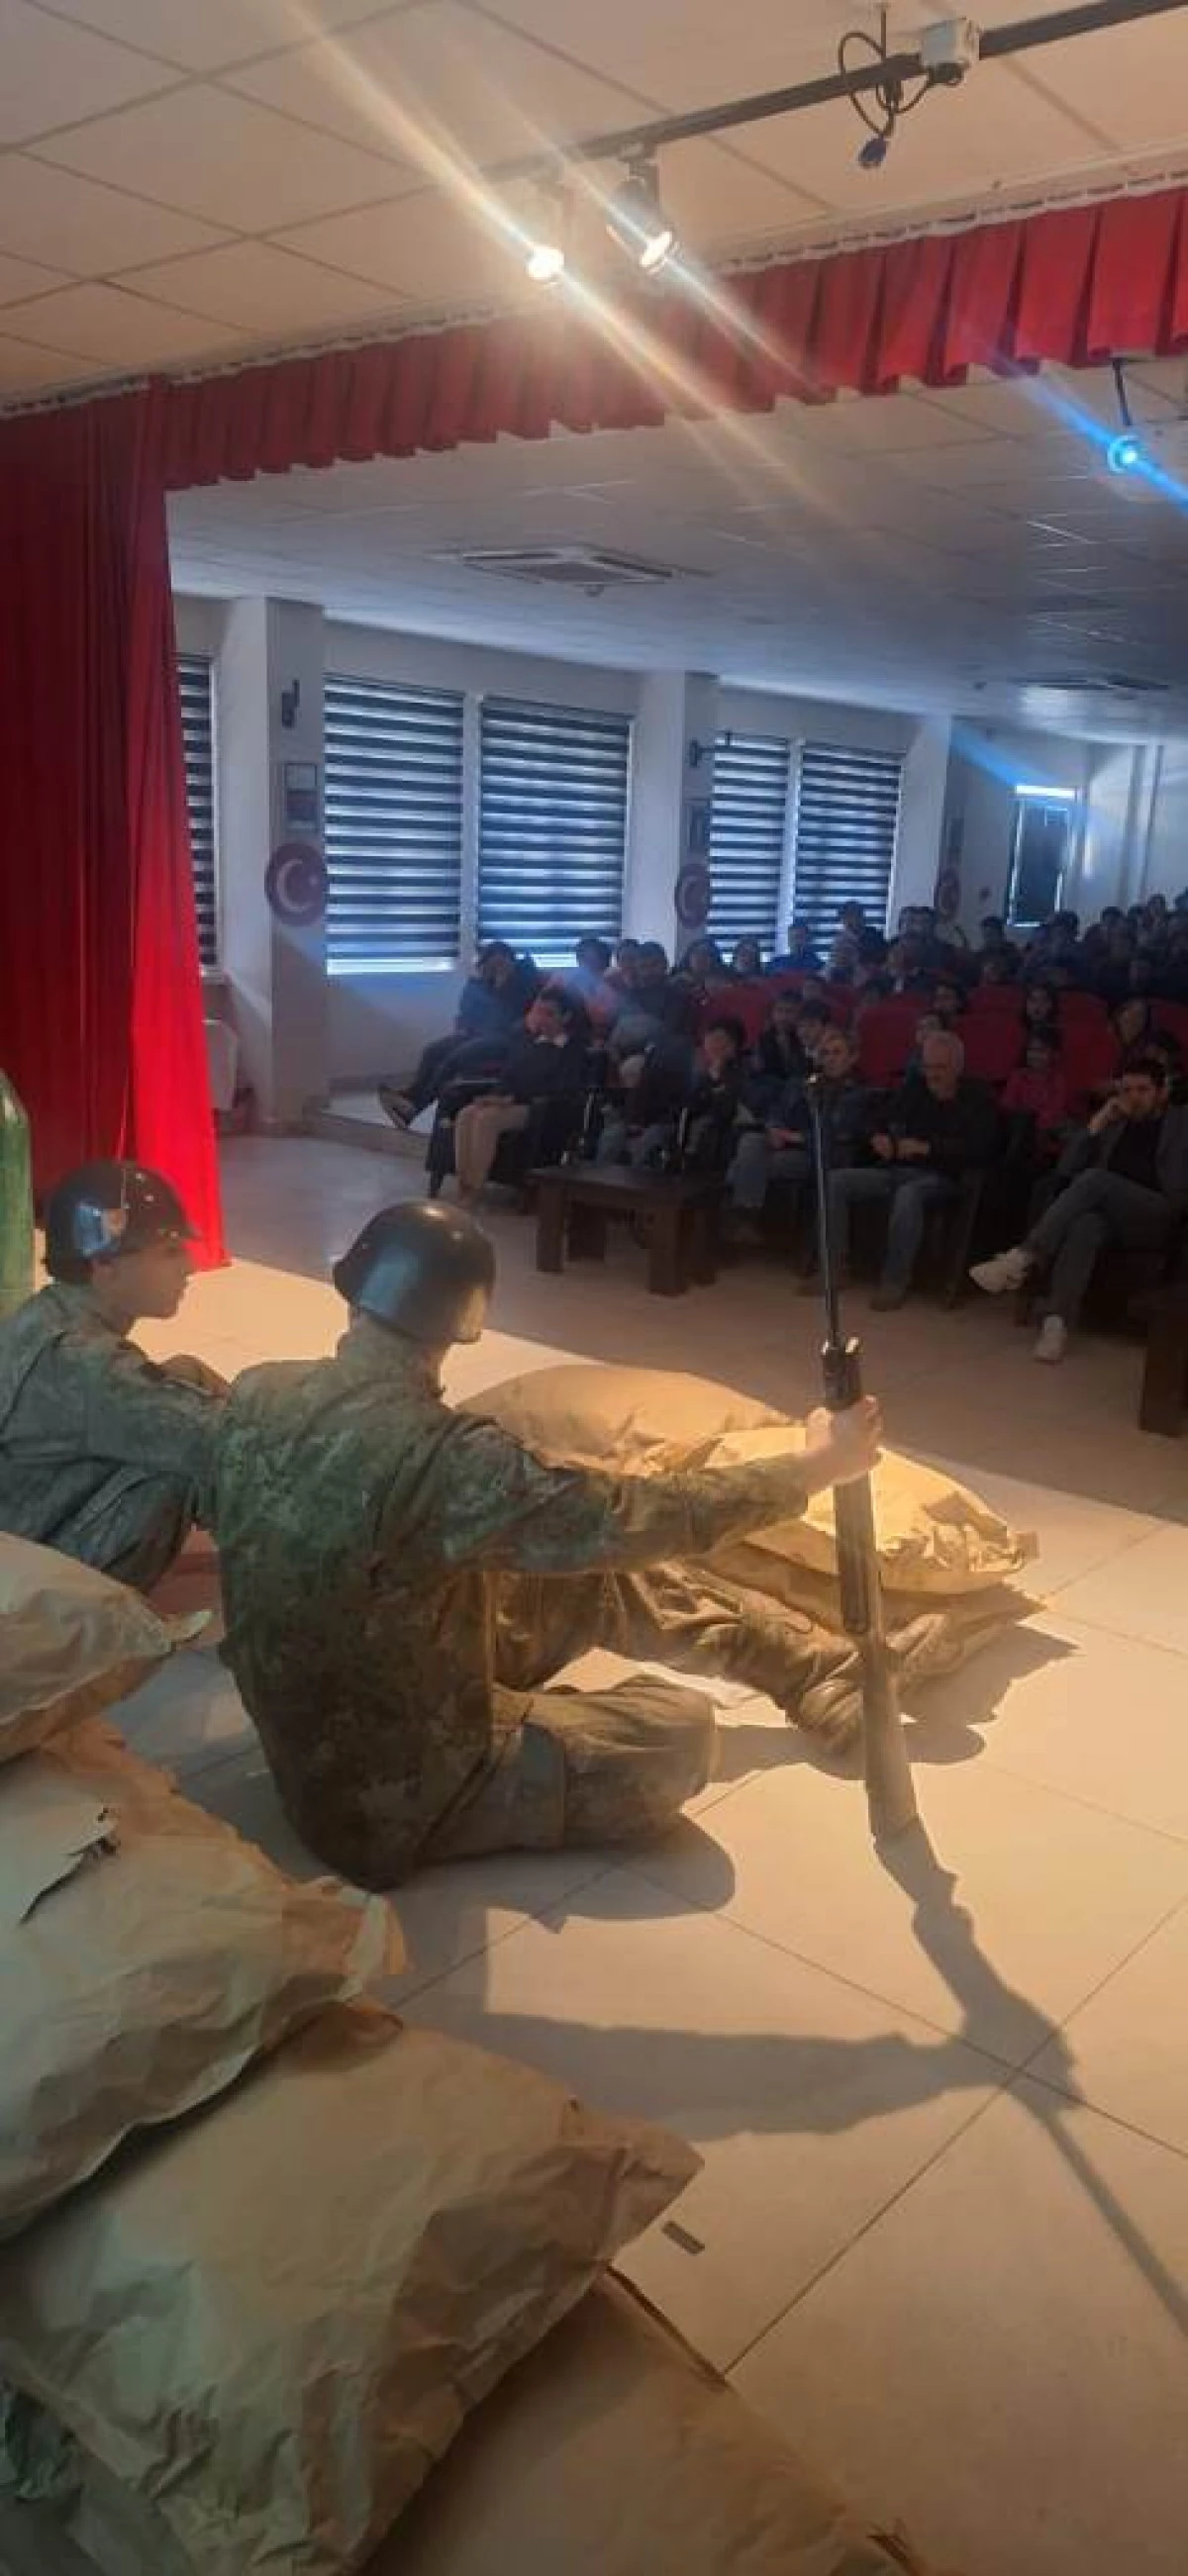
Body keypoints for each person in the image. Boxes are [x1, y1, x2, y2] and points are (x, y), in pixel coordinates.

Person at [214, 1202, 956, 1888]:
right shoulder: (446, 1456)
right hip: (395, 1801)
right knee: (679, 1733)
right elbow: (635, 1515)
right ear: (463, 1323)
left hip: (308, 1749)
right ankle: (532, 1734)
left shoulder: (257, 1391)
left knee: (580, 1575)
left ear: (354, 1290)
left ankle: (819, 1673)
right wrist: (815, 1466)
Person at [0, 1162, 226, 1589]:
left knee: (186, 1376)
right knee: (191, 1461)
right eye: (169, 1252)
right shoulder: (88, 1363)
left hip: (17, 1527)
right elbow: (219, 1439)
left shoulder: (48, 1315)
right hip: (21, 1588)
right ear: (104, 1264)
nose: (189, 1269)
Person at [971, 1055, 1188, 1362]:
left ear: (1161, 1092)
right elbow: (1067, 1169)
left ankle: (1025, 1255)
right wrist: (1096, 1125)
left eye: (1143, 1090)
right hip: (1112, 1216)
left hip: (1158, 1213)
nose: (1134, 1098)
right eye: (1126, 1090)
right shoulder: (1114, 1123)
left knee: (1097, 1180)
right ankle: (1057, 1322)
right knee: (1084, 1225)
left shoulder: (1181, 1123)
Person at [827, 1030, 999, 1311]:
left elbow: (980, 1149)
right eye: (928, 1067)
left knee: (908, 1195)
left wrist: (927, 1148)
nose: (932, 1074)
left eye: (940, 1068)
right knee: (836, 1181)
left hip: (943, 1177)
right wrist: (876, 1136)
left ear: (957, 1066)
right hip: (896, 1168)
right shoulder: (915, 1088)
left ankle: (895, 1281)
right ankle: (834, 1267)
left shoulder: (977, 1098)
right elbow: (876, 1119)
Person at [379, 942, 539, 1128]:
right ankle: (411, 1096)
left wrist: (501, 983)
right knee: (433, 1051)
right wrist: (479, 982)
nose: (488, 965)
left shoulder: (525, 977)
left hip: (505, 1039)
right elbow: (470, 1009)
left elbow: (513, 1014)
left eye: (491, 960)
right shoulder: (487, 980)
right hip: (479, 1033)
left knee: (455, 1058)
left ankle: (417, 1106)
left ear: (502, 957)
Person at [449, 991, 587, 1201]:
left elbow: (560, 1088)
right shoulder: (528, 1042)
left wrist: (511, 1100)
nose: (542, 1018)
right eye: (539, 1012)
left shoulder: (571, 1049)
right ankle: (463, 1182)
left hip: (539, 1107)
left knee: (487, 1120)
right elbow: (508, 1076)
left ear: (565, 1017)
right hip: (509, 1100)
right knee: (467, 1114)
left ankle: (476, 1187)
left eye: (550, 1014)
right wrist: (494, 1096)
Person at [730, 1024, 869, 1229]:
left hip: (820, 1153)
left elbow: (837, 1132)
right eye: (825, 1053)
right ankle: (746, 1215)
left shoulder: (856, 1094)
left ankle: (745, 1219)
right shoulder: (806, 1084)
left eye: (837, 1053)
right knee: (751, 1141)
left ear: (852, 1057)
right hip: (788, 1144)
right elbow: (778, 1110)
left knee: (742, 1167)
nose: (830, 1059)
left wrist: (795, 1137)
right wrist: (775, 1129)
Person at [1001, 1032, 1069, 1156]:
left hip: (1044, 1130)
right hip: (1018, 1127)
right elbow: (1007, 1104)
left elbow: (1054, 1110)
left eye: (1041, 1051)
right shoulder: (1018, 1076)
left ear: (1054, 1054)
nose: (1035, 1056)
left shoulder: (1057, 1080)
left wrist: (1035, 1123)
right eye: (1031, 1051)